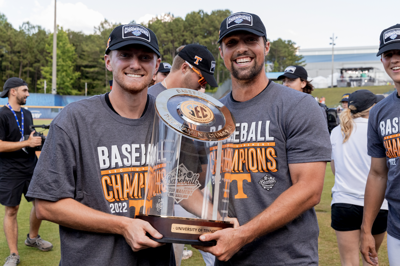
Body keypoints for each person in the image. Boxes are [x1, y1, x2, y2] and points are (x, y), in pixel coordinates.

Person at [26, 24, 175, 266]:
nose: (135, 64)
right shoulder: (74, 119)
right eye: (125, 55)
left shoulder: (169, 118)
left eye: (145, 57)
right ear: (108, 61)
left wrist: (217, 219)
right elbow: (45, 206)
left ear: (156, 65)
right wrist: (123, 225)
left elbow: (183, 183)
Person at [195, 12, 331, 265]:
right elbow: (196, 181)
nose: (241, 49)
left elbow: (310, 190)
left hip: (288, 259)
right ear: (222, 52)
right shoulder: (211, 115)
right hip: (229, 257)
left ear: (266, 46)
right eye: (232, 43)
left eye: (250, 40)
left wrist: (243, 235)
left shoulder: (298, 106)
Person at [149, 43, 218, 266]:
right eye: (202, 77)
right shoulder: (146, 99)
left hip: (171, 214)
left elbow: (184, 177)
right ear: (186, 68)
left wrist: (218, 217)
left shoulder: (189, 108)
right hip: (135, 216)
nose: (204, 84)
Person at [330, 90, 388, 266]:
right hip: (378, 204)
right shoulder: (379, 129)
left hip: (344, 202)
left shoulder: (336, 131)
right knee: (370, 260)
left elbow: (335, 168)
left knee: (349, 262)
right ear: (373, 107)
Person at [0, 77, 53, 266]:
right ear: (13, 91)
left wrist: (37, 141)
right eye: (25, 90)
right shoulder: (2, 115)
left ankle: (32, 238)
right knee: (12, 210)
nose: (28, 94)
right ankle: (13, 254)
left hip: (31, 167)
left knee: (40, 205)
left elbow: (27, 139)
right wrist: (26, 143)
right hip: (10, 170)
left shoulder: (27, 114)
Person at [360, 24, 400, 266]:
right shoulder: (380, 112)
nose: (394, 60)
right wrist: (366, 230)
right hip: (397, 227)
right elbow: (377, 174)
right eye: (388, 55)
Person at [148, 43, 218, 98]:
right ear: (185, 68)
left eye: (205, 82)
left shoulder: (193, 103)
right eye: (202, 79)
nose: (203, 86)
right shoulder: (148, 99)